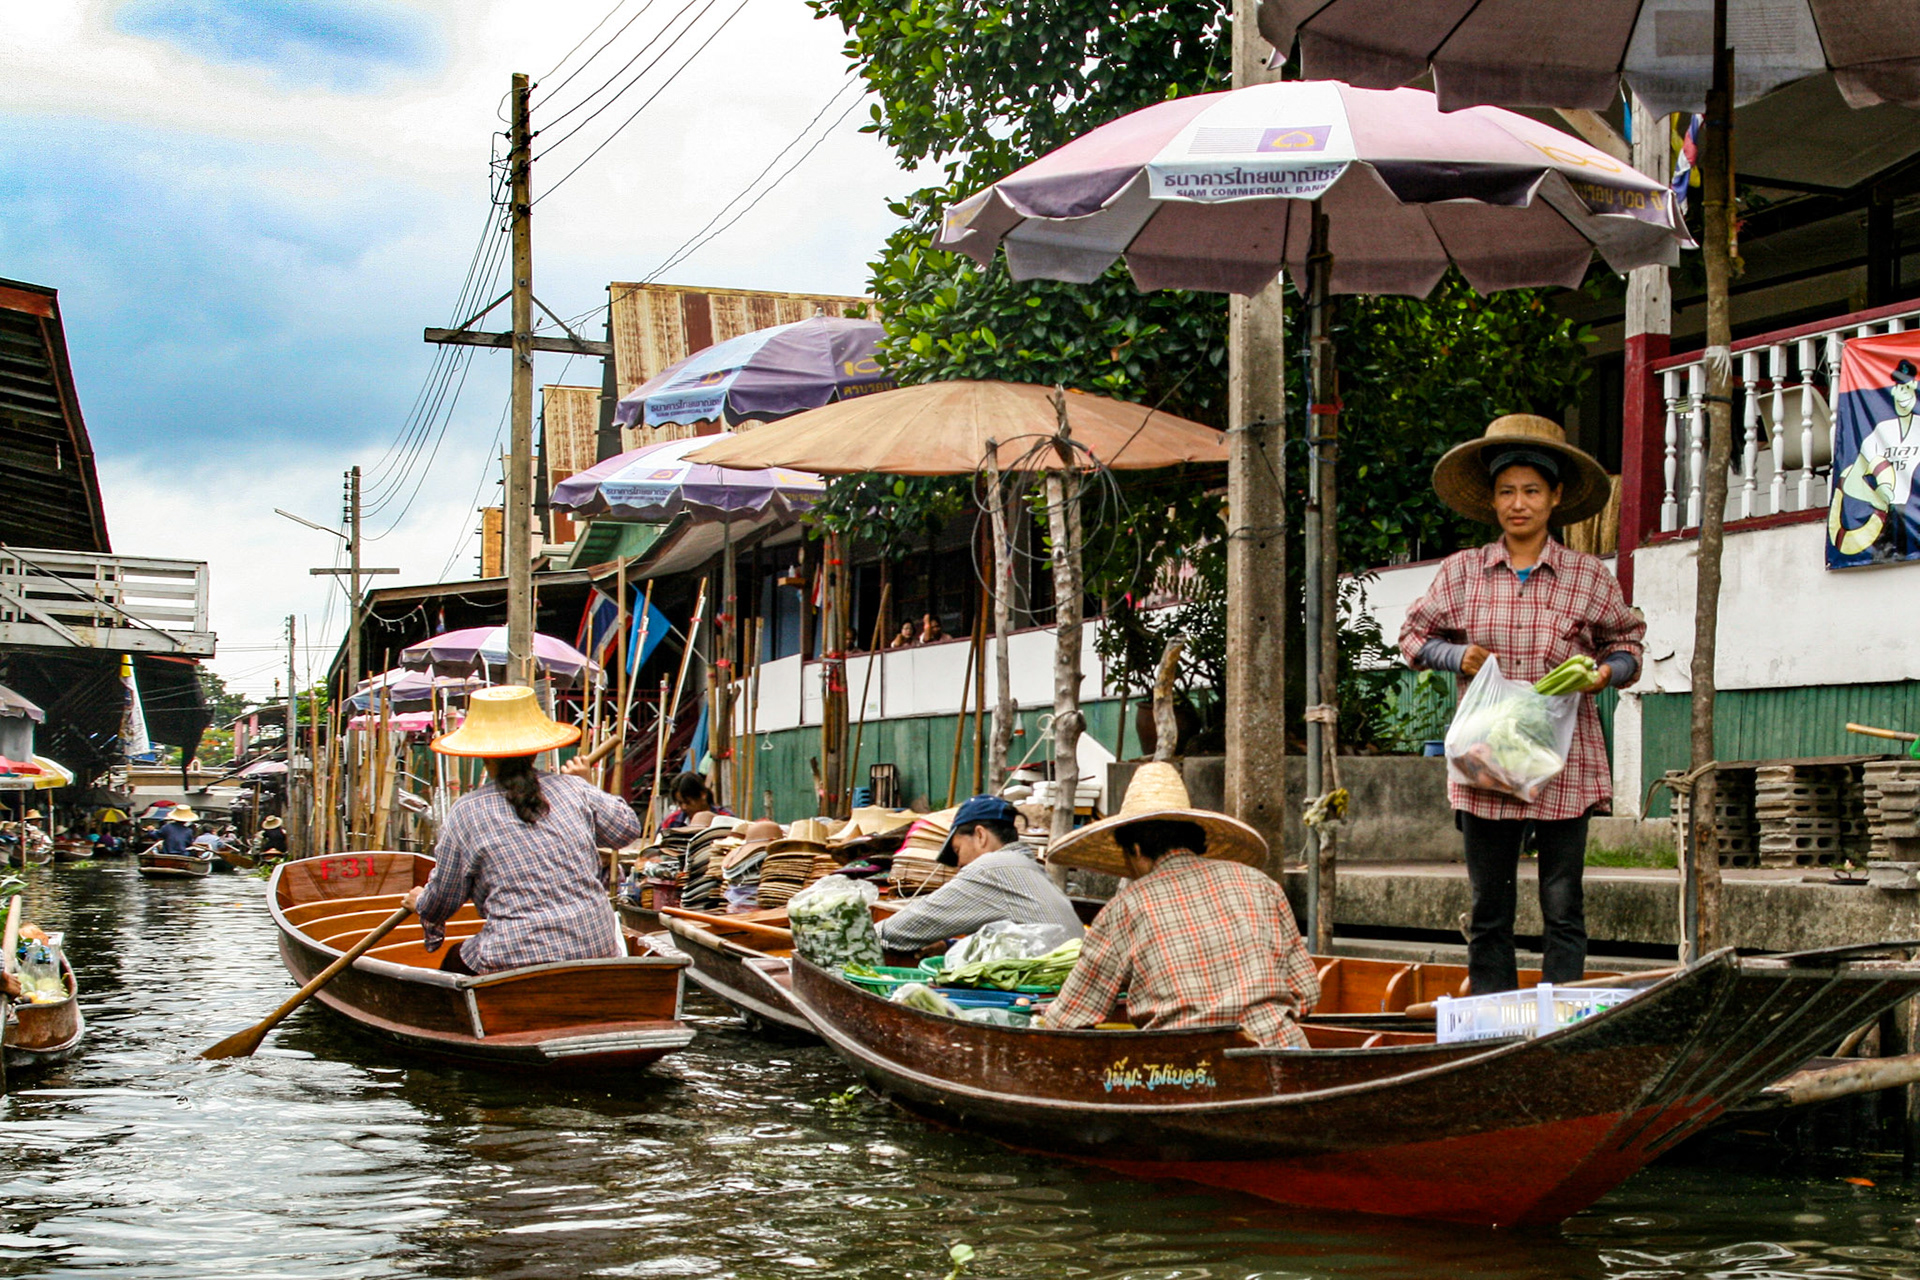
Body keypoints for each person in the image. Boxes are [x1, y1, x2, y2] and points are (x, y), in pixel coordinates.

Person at [1400, 414, 1645, 996]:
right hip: (1487, 760)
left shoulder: (1588, 577)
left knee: (1563, 904)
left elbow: (1628, 646)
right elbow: (1411, 638)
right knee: (1489, 908)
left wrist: (1604, 672)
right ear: (1492, 500)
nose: (1519, 504)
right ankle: (1490, 1018)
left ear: (1555, 497)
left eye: (1532, 491)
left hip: (1565, 761)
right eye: (1507, 491)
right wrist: (1451, 657)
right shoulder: (1461, 572)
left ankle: (1560, 1015)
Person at [1042, 764, 1319, 1047]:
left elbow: (1069, 1017)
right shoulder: (1261, 885)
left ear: (1135, 849)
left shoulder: (1124, 908)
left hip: (1184, 1066)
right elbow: (1306, 991)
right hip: (1284, 1053)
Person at [401, 686, 641, 976]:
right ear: (535, 753)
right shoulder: (574, 789)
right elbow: (626, 830)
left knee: (454, 961)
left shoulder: (466, 811)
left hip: (514, 955)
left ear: (484, 757)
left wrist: (422, 904)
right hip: (596, 944)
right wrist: (587, 785)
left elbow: (444, 897)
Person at [874, 795, 1083, 954]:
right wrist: (949, 945)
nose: (959, 864)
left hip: (1046, 990)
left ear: (981, 836)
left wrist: (856, 936)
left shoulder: (990, 868)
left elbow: (906, 927)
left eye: (957, 851)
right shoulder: (1030, 868)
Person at [660, 771, 729, 830]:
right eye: (680, 803)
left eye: (688, 802)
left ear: (703, 795)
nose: (684, 807)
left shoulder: (725, 819)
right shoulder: (671, 822)